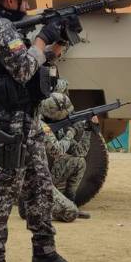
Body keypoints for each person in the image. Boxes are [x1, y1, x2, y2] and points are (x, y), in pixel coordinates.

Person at [0, 0, 84, 262]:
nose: (27, 4)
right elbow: (23, 69)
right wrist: (41, 38)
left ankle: (44, 254)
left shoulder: (10, 29)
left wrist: (58, 42)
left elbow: (36, 63)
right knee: (4, 191)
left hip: (28, 120)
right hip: (9, 123)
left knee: (40, 188)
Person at [37, 93, 90, 222]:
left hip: (46, 173)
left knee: (79, 162)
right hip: (36, 180)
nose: (67, 116)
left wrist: (87, 130)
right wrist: (70, 134)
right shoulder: (41, 126)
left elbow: (80, 151)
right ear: (54, 113)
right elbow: (57, 151)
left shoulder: (56, 125)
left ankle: (69, 201)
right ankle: (33, 211)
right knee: (70, 213)